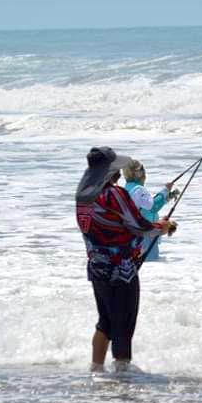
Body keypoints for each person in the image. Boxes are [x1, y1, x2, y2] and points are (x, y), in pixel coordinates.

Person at [75, 147, 177, 372]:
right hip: (121, 269)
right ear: (107, 172)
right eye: (115, 171)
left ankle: (96, 369)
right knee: (124, 323)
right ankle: (122, 373)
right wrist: (163, 226)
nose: (119, 174)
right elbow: (139, 225)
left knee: (105, 321)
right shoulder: (114, 194)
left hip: (96, 266)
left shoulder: (82, 196)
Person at [122, 159, 178, 261]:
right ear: (139, 174)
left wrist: (167, 197)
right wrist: (165, 190)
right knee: (150, 262)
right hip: (146, 236)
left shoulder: (125, 189)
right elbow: (153, 207)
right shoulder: (139, 189)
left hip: (131, 236)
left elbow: (145, 207)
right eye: (143, 171)